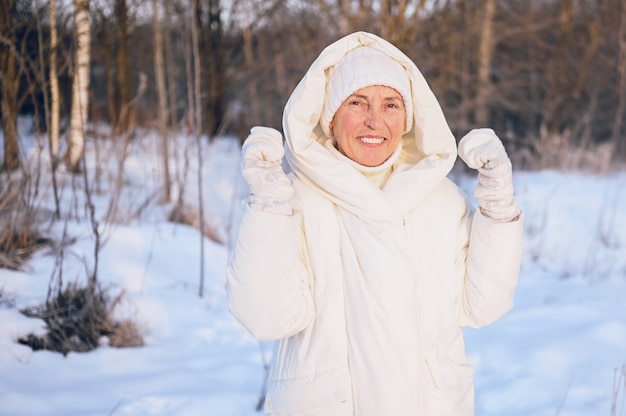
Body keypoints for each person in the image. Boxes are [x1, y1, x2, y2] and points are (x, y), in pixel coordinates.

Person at [227, 31, 523, 416]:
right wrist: (267, 204)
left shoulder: (441, 201)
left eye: (390, 105)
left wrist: (498, 205)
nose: (374, 121)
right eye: (356, 102)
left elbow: (482, 306)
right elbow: (265, 317)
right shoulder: (294, 199)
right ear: (331, 116)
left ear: (408, 118)